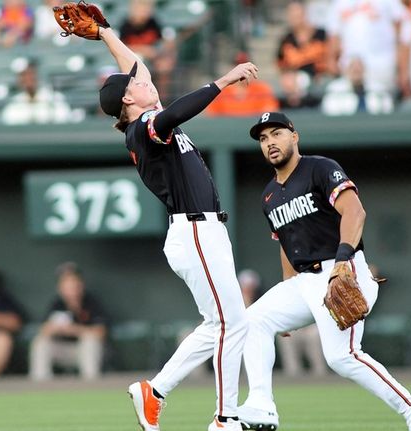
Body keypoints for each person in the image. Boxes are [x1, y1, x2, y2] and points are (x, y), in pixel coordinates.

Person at [73, 12, 256, 431]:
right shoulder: (140, 129)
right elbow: (172, 114)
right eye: (138, 85)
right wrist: (223, 81)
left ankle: (153, 392)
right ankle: (226, 417)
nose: (146, 81)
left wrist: (105, 34)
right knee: (232, 323)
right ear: (127, 100)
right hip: (194, 229)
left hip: (201, 230)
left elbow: (136, 66)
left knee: (221, 324)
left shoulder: (139, 113)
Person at [238, 112, 411, 431]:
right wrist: (286, 294)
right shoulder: (269, 195)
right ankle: (262, 406)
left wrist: (342, 260)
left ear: (295, 136)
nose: (270, 143)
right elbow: (286, 243)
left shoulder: (320, 168)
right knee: (252, 321)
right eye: (263, 139)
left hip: (345, 268)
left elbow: (355, 211)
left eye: (276, 134)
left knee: (342, 357)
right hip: (305, 281)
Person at [29, 263, 107, 381]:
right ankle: (40, 384)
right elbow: (43, 331)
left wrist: (74, 329)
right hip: (63, 350)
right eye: (67, 285)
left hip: (85, 351)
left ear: (81, 285)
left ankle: (91, 384)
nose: (71, 289)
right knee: (41, 342)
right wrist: (53, 328)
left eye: (74, 284)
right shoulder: (57, 304)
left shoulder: (91, 303)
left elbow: (101, 333)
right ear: (60, 288)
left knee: (90, 341)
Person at [327, 0, 410, 97]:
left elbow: (403, 32)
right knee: (349, 104)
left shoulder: (389, 2)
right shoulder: (340, 3)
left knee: (381, 102)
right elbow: (334, 35)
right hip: (351, 66)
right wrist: (332, 60)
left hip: (381, 64)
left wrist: (403, 70)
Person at [119, 0, 176, 101]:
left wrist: (162, 50)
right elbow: (120, 47)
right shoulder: (125, 26)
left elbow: (165, 41)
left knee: (164, 66)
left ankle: (161, 101)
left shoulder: (153, 22)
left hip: (152, 60)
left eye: (146, 9)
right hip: (131, 61)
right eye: (141, 9)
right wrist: (144, 50)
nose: (144, 12)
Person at [205, 52, 280, 117]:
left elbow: (270, 112)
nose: (242, 71)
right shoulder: (220, 89)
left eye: (246, 67)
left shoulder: (262, 88)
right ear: (230, 69)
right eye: (237, 66)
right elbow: (212, 116)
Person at [1, 62, 71, 125]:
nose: (28, 79)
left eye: (31, 74)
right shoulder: (14, 103)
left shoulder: (55, 98)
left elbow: (63, 119)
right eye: (24, 75)